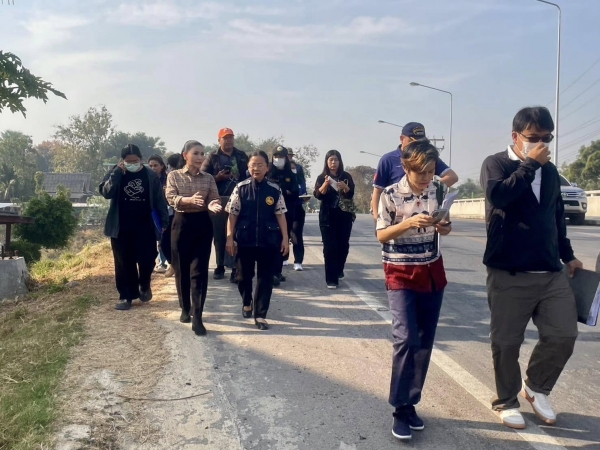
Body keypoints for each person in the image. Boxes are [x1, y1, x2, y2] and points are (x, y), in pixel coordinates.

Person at [480, 106, 583, 430]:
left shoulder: (550, 172)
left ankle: (537, 387)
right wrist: (529, 165)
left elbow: (556, 217)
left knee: (564, 334)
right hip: (509, 272)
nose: (541, 144)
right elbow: (499, 196)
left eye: (547, 138)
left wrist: (568, 255)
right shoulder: (496, 164)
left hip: (550, 272)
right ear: (516, 136)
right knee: (506, 343)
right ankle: (506, 400)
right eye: (534, 137)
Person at [376, 140, 451, 441]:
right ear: (406, 168)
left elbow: (446, 227)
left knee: (424, 341)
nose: (426, 178)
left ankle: (410, 405)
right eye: (421, 173)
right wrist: (408, 224)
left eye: (431, 172)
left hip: (431, 271)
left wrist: (443, 226)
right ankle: (399, 408)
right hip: (400, 272)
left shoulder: (438, 190)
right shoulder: (390, 195)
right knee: (406, 338)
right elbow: (382, 234)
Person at [225, 151, 289, 330]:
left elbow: (280, 214)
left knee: (265, 278)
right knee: (242, 276)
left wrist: (285, 238)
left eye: (260, 165)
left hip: (268, 240)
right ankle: (247, 301)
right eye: (253, 165)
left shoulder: (274, 190)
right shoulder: (240, 188)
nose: (256, 168)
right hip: (245, 240)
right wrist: (230, 237)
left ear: (267, 168)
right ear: (248, 167)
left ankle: (260, 314)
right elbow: (232, 214)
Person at [99, 144, 169, 311]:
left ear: (140, 159)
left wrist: (164, 222)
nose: (132, 164)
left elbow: (159, 199)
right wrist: (117, 172)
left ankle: (144, 284)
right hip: (121, 227)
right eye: (128, 161)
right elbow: (106, 192)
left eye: (135, 161)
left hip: (145, 226)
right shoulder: (116, 172)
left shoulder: (150, 175)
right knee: (124, 262)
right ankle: (126, 296)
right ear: (122, 160)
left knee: (147, 259)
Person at [166, 140, 222, 336]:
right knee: (181, 269)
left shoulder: (208, 178)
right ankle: (185, 307)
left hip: (202, 224)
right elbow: (171, 197)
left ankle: (198, 316)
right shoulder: (174, 176)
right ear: (185, 156)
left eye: (202, 154)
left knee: (199, 271)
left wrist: (213, 204)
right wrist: (188, 200)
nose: (200, 157)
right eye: (196, 153)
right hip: (181, 224)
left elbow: (214, 197)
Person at [371, 122, 459, 223]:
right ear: (402, 139)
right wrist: (377, 219)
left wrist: (430, 188)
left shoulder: (428, 158)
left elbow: (452, 177)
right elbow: (377, 191)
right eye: (412, 142)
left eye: (421, 142)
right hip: (396, 216)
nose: (417, 145)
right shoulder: (388, 160)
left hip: (423, 216)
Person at [201, 128, 249, 282]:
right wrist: (218, 177)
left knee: (236, 234)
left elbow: (249, 174)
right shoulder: (212, 157)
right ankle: (220, 265)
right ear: (219, 140)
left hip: (239, 199)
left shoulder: (241, 156)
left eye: (231, 138)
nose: (228, 141)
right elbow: (202, 177)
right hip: (218, 199)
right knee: (219, 235)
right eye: (225, 138)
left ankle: (235, 268)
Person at [314, 150, 355, 289]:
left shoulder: (346, 176)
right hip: (327, 217)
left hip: (344, 216)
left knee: (343, 245)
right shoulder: (322, 177)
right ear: (327, 162)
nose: (333, 162)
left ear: (340, 161)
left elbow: (351, 193)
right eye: (331, 160)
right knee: (329, 247)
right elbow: (318, 195)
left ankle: (338, 269)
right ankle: (331, 280)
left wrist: (345, 187)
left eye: (336, 159)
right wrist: (326, 184)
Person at [268, 146, 298, 285]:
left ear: (286, 158)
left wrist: (282, 192)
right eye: (276, 156)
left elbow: (295, 192)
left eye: (281, 156)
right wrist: (284, 192)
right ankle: (269, 272)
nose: (278, 159)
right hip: (269, 215)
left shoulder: (291, 174)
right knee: (270, 243)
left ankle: (277, 272)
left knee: (282, 242)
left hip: (286, 214)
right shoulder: (268, 172)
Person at [148, 155, 169, 274]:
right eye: (150, 166)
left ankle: (163, 263)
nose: (153, 168)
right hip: (152, 213)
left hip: (167, 212)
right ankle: (154, 262)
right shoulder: (147, 179)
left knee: (163, 239)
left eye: (155, 165)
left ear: (162, 166)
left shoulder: (168, 179)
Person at [287, 148, 308, 271]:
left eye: (290, 155)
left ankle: (298, 261)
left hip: (297, 208)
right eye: (287, 155)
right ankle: (284, 258)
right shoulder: (280, 174)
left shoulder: (299, 171)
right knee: (283, 234)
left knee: (296, 234)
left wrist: (304, 197)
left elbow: (303, 188)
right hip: (283, 209)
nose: (289, 157)